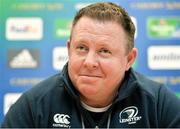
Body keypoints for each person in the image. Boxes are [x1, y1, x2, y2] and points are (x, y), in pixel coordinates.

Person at [1, 2, 180, 128]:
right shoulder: (33, 105)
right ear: (69, 49)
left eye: (104, 51)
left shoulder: (158, 104)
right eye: (82, 48)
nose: (89, 62)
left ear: (129, 59)